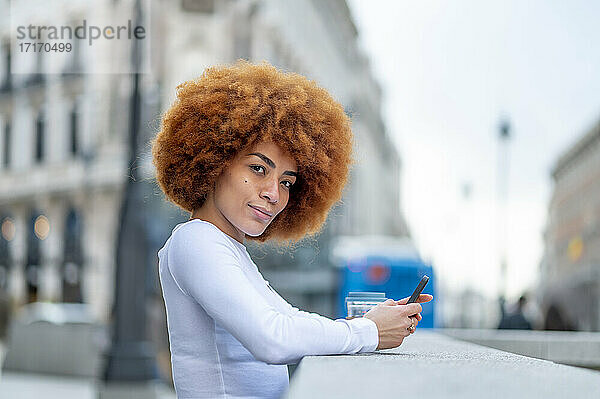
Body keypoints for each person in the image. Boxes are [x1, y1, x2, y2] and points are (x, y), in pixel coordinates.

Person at [151, 61, 433, 399]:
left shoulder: (226, 247)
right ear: (214, 161)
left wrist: (374, 320)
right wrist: (368, 330)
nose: (274, 193)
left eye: (287, 182)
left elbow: (290, 318)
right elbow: (273, 337)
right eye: (258, 169)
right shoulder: (196, 241)